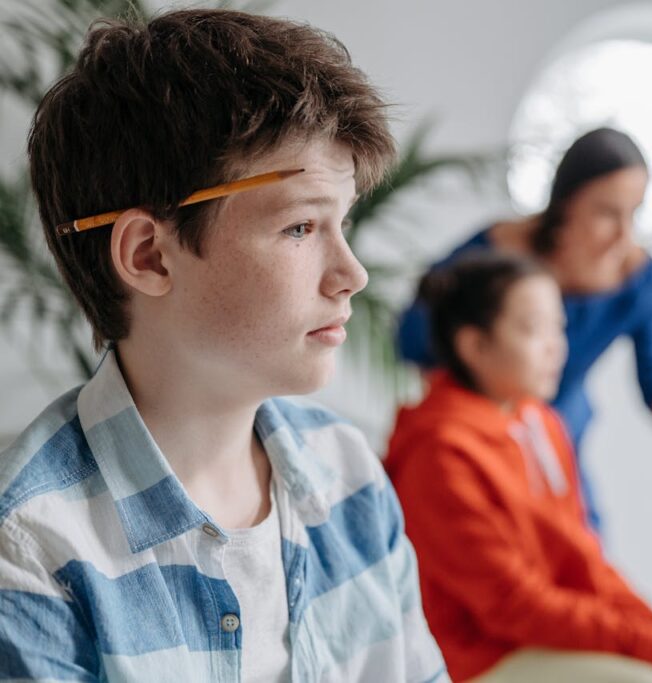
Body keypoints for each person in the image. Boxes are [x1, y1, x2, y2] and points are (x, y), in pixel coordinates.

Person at [0, 10, 446, 682]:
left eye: (342, 222)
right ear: (150, 254)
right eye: (300, 226)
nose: (352, 273)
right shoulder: (31, 546)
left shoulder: (348, 473)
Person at [385, 252, 652, 683]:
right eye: (534, 329)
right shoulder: (440, 453)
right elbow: (511, 606)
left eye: (559, 327)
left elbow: (585, 560)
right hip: (478, 658)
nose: (556, 346)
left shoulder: (541, 421)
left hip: (544, 633)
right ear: (474, 345)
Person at [397, 128, 652, 532]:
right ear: (566, 203)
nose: (624, 234)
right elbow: (413, 336)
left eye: (634, 213)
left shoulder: (638, 278)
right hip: (482, 430)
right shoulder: (496, 252)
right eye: (606, 212)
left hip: (562, 431)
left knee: (578, 540)